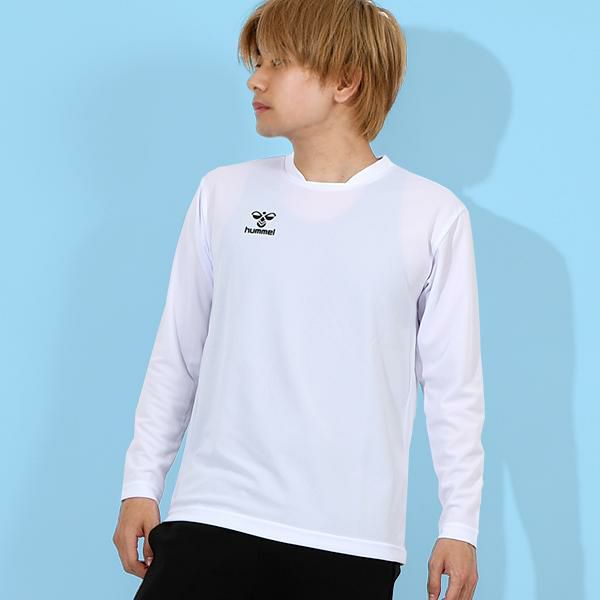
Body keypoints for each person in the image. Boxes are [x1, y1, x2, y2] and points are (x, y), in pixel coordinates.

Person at [112, 0, 485, 598]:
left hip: (351, 539)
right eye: (256, 62)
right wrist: (141, 483)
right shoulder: (224, 193)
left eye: (277, 63)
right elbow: (178, 354)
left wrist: (459, 525)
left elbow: (453, 388)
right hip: (214, 514)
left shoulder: (432, 216)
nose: (255, 80)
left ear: (346, 81)